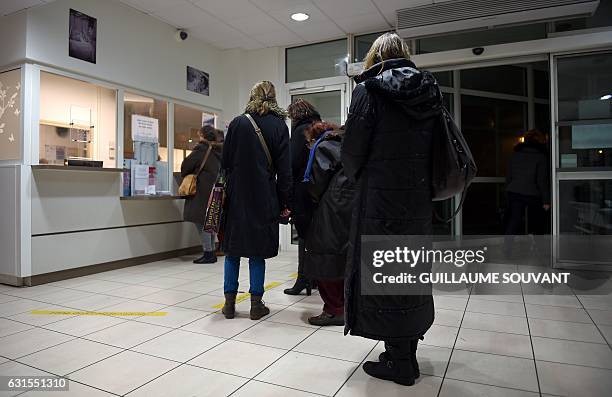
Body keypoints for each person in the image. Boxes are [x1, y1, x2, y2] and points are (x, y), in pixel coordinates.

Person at [342, 33, 442, 386]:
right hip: (416, 202)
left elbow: (352, 153)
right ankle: (403, 350)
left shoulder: (368, 91)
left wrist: (364, 177)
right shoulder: (430, 91)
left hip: (379, 203)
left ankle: (401, 364)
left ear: (374, 57)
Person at [220, 81, 292, 320]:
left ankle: (229, 304)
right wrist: (284, 201)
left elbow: (225, 162)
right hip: (264, 194)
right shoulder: (279, 125)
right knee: (257, 252)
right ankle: (256, 304)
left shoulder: (239, 122)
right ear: (273, 98)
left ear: (252, 96)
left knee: (233, 249)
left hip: (237, 195)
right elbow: (285, 169)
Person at [301, 122, 355, 326]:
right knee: (345, 258)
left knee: (324, 257)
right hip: (354, 205)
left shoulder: (325, 146)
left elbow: (316, 182)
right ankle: (346, 307)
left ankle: (334, 309)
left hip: (332, 205)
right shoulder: (353, 145)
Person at [284, 99, 321, 296]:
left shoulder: (300, 131)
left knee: (304, 236)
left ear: (295, 115)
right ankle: (314, 277)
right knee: (314, 236)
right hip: (318, 190)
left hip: (302, 190)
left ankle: (303, 279)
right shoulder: (319, 128)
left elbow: (292, 162)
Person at [181, 125, 223, 264]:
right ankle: (211, 251)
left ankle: (208, 253)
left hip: (201, 191)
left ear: (203, 136)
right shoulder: (219, 151)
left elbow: (186, 166)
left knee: (202, 222)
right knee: (210, 221)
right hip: (215, 191)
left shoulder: (201, 149)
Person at [505, 129, 550, 236]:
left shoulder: (515, 154)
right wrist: (546, 201)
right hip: (532, 194)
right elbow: (541, 181)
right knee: (537, 223)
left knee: (513, 222)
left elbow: (509, 176)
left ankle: (507, 249)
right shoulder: (541, 157)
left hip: (514, 191)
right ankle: (536, 247)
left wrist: (507, 191)